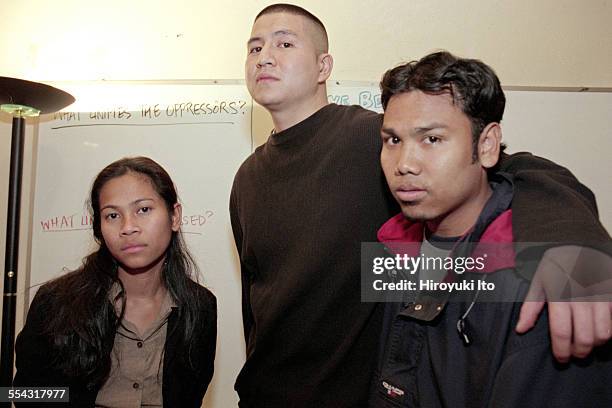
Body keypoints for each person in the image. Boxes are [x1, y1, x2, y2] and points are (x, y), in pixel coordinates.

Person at [230, 4, 611, 407]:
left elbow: (514, 170)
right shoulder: (246, 178)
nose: (265, 57)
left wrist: (575, 244)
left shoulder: (370, 136)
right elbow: (256, 301)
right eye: (254, 48)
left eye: (284, 43)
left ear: (324, 66)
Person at [369, 50, 611, 407]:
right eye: (393, 140)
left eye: (432, 139)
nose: (404, 164)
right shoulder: (395, 246)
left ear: (486, 145)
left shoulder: (541, 282)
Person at [13, 157, 217, 407]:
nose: (128, 227)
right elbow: (20, 393)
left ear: (174, 216)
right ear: (99, 227)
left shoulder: (200, 307)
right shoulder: (55, 302)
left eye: (143, 209)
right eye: (112, 215)